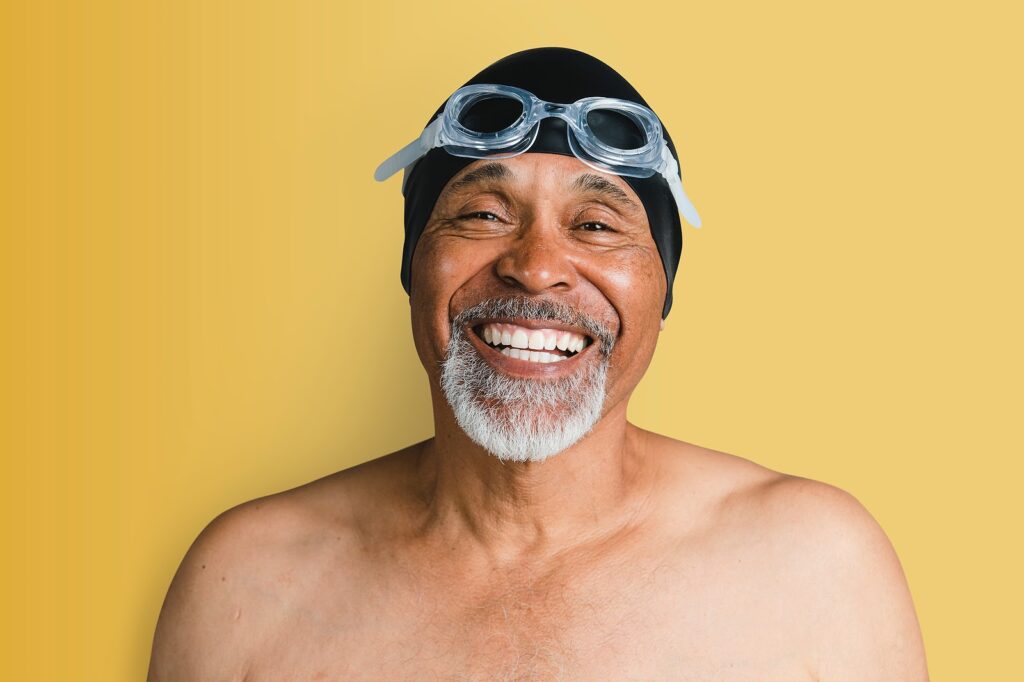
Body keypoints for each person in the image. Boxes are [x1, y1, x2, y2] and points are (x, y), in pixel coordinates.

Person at [148, 48, 928, 681]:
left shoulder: (815, 569)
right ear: (415, 267)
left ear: (661, 291)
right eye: (484, 214)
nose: (536, 266)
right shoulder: (248, 583)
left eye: (596, 223)